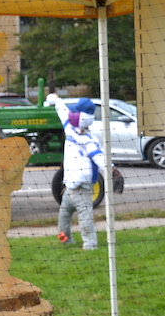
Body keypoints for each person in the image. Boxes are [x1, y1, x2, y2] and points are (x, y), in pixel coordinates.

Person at [46, 94, 103, 250]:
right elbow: (62, 110)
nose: (72, 114)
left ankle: (90, 245)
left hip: (83, 190)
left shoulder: (90, 140)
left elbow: (98, 156)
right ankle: (64, 240)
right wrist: (55, 99)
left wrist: (110, 167)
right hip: (68, 189)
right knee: (63, 219)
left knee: (85, 220)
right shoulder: (69, 129)